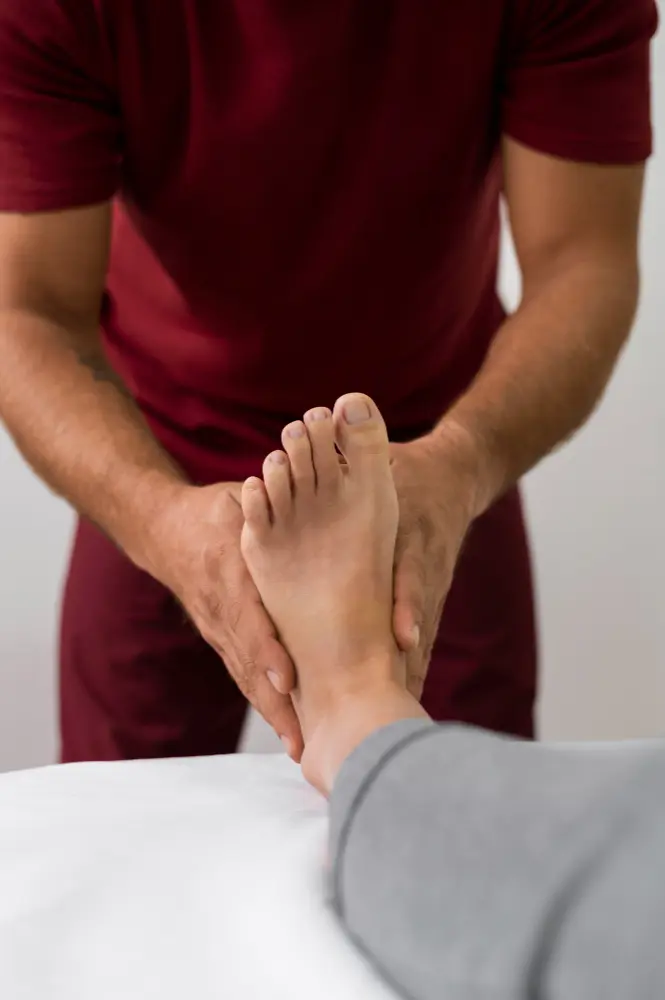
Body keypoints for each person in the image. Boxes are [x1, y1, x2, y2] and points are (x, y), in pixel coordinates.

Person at [0, 2, 658, 762]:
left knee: (467, 828)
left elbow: (583, 262)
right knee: (121, 840)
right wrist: (159, 521)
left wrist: (462, 465)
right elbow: (30, 314)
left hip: (437, 449)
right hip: (157, 450)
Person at [243, 391, 665, 1000]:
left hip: (446, 396)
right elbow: (46, 323)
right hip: (156, 418)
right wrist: (152, 517)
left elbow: (585, 290)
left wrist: (466, 457)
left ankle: (353, 710)